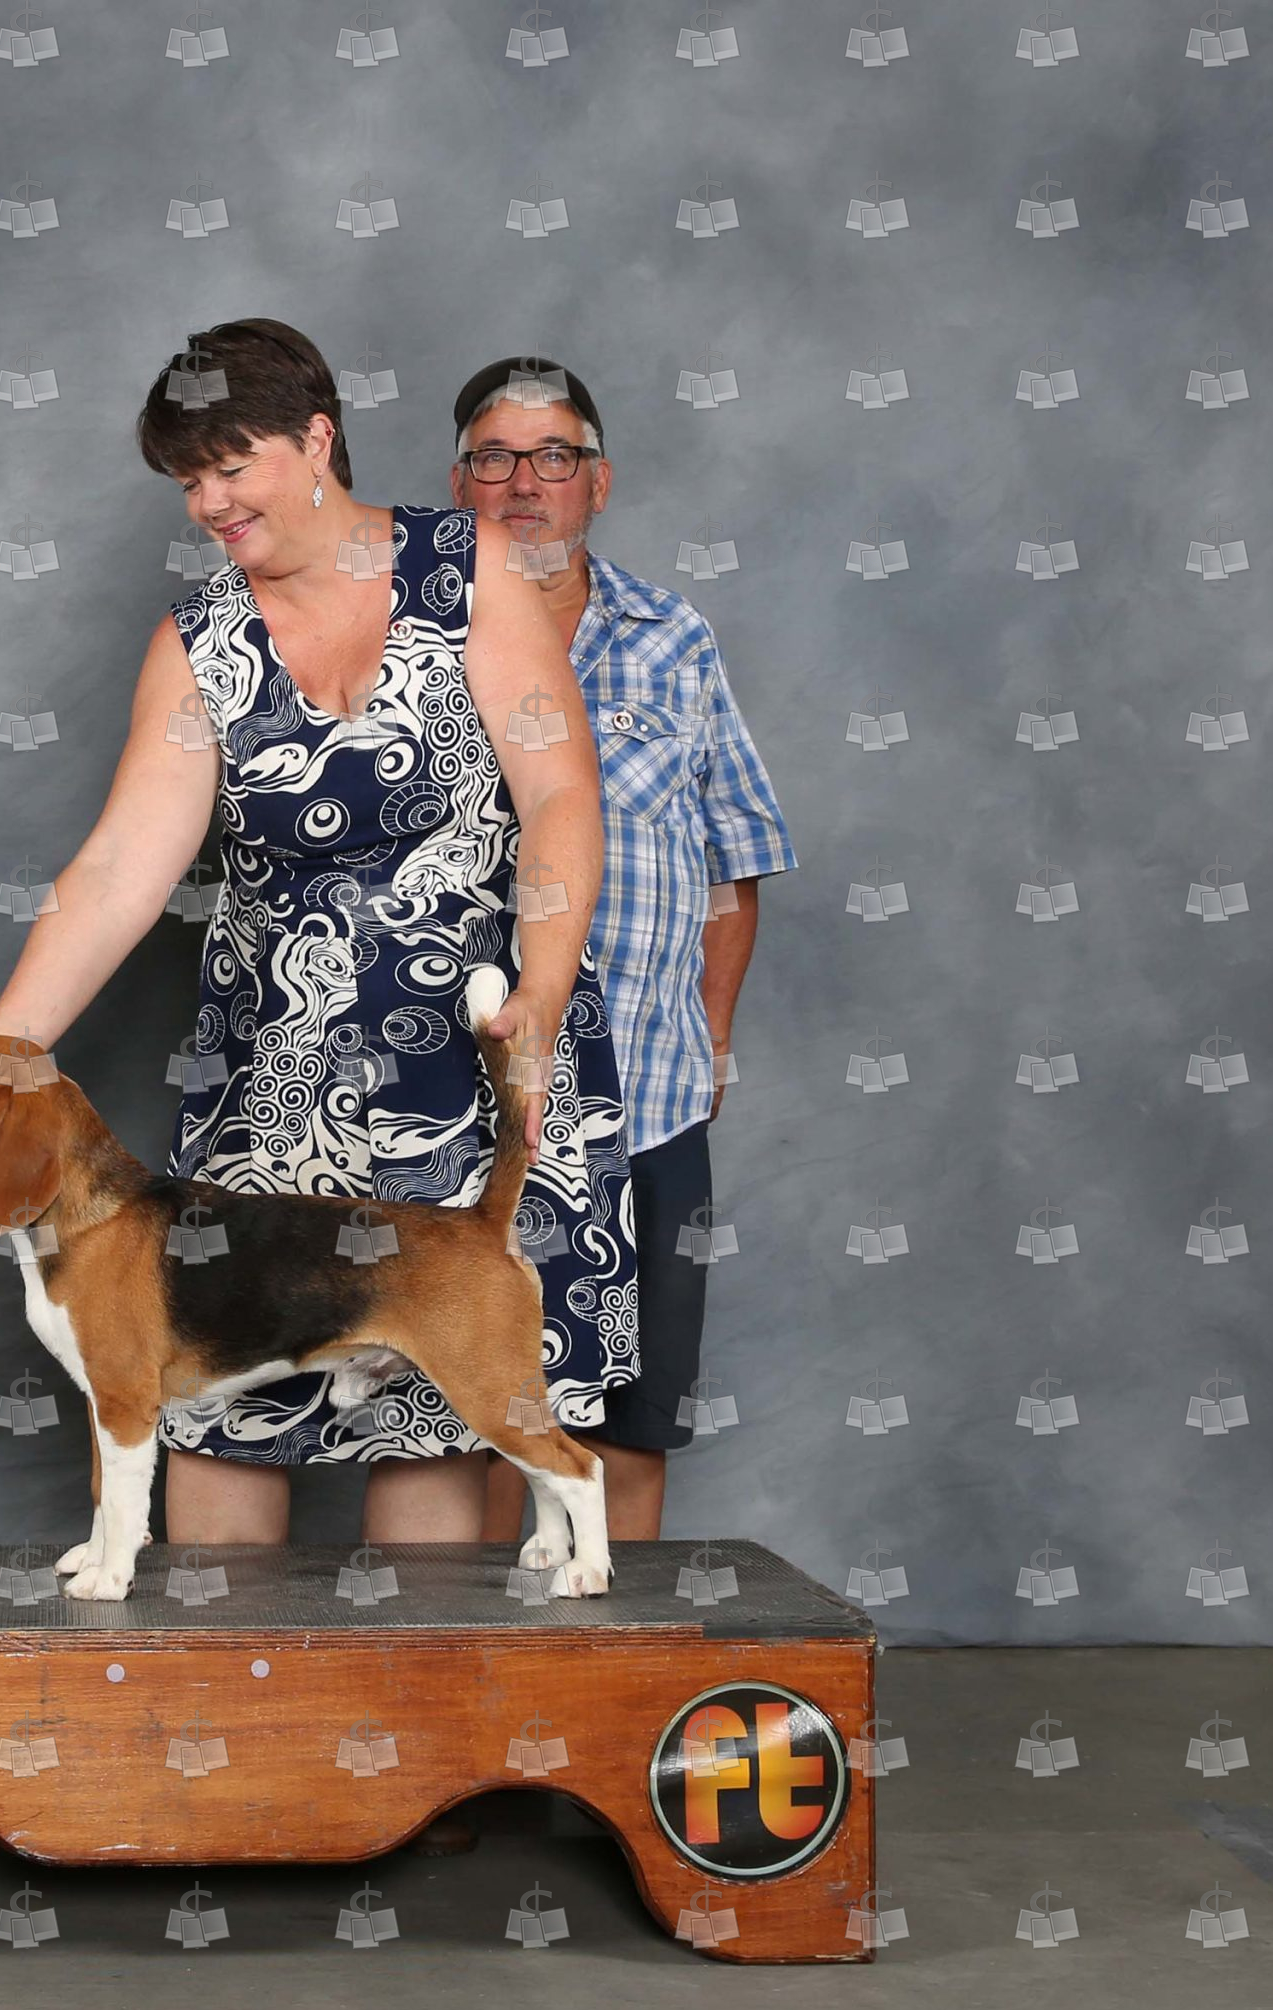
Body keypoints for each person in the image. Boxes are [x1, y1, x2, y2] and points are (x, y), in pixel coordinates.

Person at [0, 314, 635, 1579]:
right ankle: (219, 1705)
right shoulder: (198, 641)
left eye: (232, 465)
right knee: (218, 1437)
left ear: (318, 438)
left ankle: (409, 1699)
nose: (208, 503)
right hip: (272, 1087)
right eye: (187, 479)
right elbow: (114, 873)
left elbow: (559, 795)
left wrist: (539, 996)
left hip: (469, 1067)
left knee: (435, 1448)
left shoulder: (472, 571)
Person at [443, 357, 797, 1556]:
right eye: (494, 457)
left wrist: (714, 1037)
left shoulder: (673, 638)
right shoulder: (415, 636)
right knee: (481, 1417)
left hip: (651, 1092)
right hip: (467, 1100)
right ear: (458, 482)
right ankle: (486, 1664)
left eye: (554, 456)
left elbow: (733, 860)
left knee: (634, 1418)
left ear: (598, 480)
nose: (523, 481)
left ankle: (613, 1654)